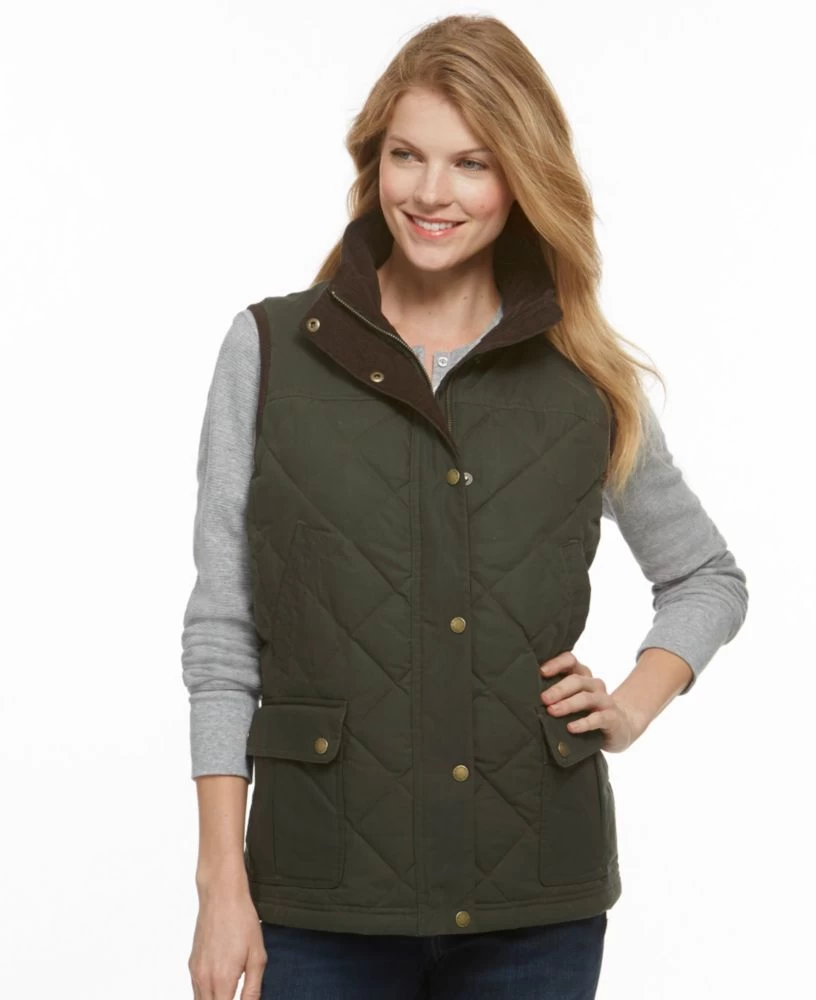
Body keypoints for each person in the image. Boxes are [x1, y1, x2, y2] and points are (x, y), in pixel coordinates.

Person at [182, 13, 749, 1000]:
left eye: (471, 163)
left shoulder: (585, 378)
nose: (430, 193)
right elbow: (224, 634)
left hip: (535, 905)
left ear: (521, 177)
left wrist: (630, 705)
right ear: (374, 161)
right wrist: (219, 881)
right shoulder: (269, 352)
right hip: (318, 899)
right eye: (407, 155)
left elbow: (706, 575)